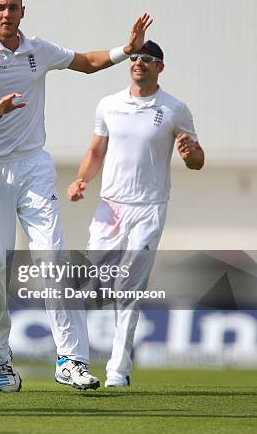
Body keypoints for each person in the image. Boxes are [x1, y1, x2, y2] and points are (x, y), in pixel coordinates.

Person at [0, 0, 153, 392]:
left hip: (33, 167)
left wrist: (126, 49)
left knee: (55, 263)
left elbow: (86, 61)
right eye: (0, 7)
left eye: (14, 7)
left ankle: (71, 359)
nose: (7, 14)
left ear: (23, 11)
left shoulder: (37, 49)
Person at [67, 40, 204, 387]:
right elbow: (96, 150)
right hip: (109, 207)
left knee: (128, 286)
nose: (139, 62)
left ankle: (118, 370)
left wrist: (189, 153)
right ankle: (74, 360)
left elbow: (197, 160)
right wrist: (81, 180)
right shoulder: (109, 105)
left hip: (149, 209)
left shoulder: (175, 109)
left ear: (160, 66)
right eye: (135, 57)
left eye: (148, 59)